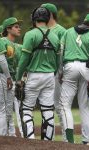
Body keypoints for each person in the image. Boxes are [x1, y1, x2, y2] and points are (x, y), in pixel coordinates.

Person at [16, 7, 60, 140]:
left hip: (34, 76)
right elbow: (58, 61)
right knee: (47, 110)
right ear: (47, 19)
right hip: (49, 76)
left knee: (27, 109)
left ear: (34, 19)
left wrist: (18, 78)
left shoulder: (31, 34)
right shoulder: (55, 35)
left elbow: (24, 60)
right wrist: (54, 73)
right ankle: (48, 142)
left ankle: (30, 141)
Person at [59, 14, 89, 144]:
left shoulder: (68, 32)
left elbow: (61, 52)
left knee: (65, 105)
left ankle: (69, 139)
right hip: (87, 70)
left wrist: (60, 71)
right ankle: (86, 141)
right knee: (85, 107)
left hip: (70, 67)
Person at [0, 18, 23, 137]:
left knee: (8, 112)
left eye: (19, 26)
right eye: (16, 26)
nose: (19, 28)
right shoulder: (2, 41)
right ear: (8, 29)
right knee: (1, 110)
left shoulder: (15, 45)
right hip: (1, 77)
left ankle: (6, 138)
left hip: (11, 80)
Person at [41, 3, 67, 141]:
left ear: (50, 14)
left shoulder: (61, 31)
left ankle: (65, 139)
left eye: (43, 12)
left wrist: (61, 71)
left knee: (59, 105)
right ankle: (47, 138)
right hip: (42, 73)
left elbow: (64, 54)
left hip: (56, 73)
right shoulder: (39, 30)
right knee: (45, 106)